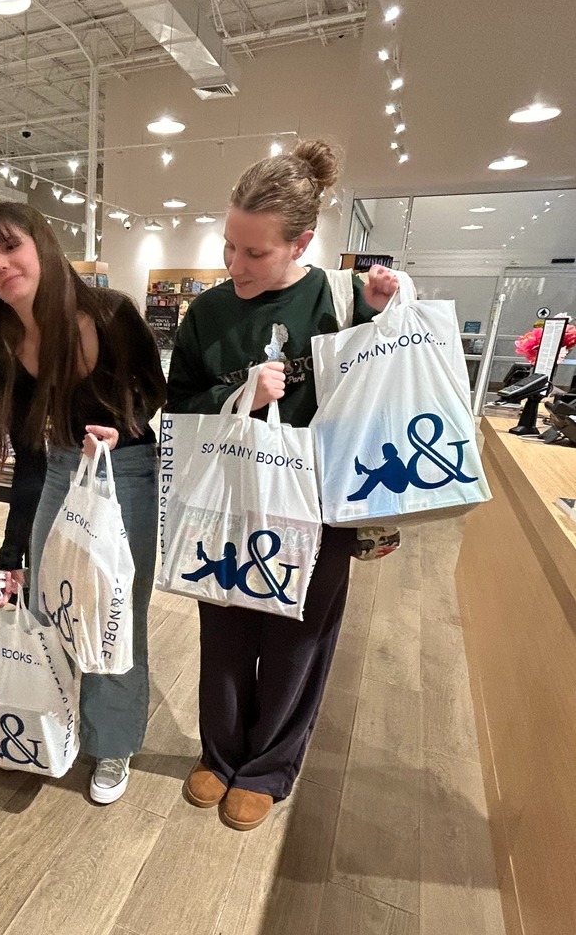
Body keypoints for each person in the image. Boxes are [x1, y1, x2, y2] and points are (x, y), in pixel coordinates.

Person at [165, 140, 399, 831]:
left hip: (320, 501)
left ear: (299, 242)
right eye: (228, 247)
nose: (234, 265)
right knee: (225, 627)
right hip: (227, 499)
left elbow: (384, 390)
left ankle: (268, 766)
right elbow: (177, 405)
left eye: (254, 252)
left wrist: (383, 316)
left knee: (296, 637)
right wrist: (234, 392)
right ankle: (221, 751)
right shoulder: (206, 312)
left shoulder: (339, 298)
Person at [0, 202, 166, 804]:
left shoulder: (110, 316)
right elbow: (30, 454)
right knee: (51, 603)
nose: (0, 266)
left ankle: (112, 744)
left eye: (10, 247)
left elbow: (153, 392)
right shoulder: (4, 339)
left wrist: (118, 424)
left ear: (42, 246)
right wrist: (11, 552)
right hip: (55, 468)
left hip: (123, 470)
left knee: (110, 609)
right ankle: (44, 722)